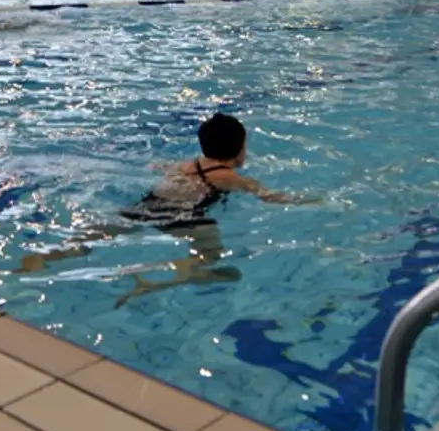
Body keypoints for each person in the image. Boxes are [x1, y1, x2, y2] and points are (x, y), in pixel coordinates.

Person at [19, 112, 310, 302]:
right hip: (181, 215)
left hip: (150, 203)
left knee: (102, 231)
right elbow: (268, 196)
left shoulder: (188, 164)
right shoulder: (229, 177)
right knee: (211, 251)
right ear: (239, 149)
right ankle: (188, 270)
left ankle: (48, 255)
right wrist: (305, 200)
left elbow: (158, 166)